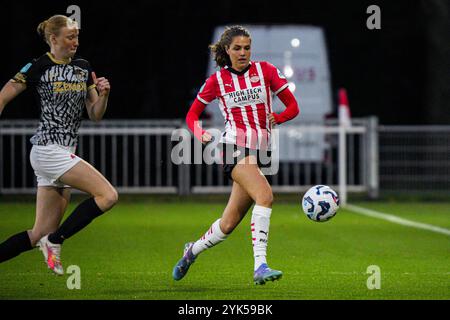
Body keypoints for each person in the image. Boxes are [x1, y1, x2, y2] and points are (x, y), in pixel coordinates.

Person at [172, 25, 299, 285]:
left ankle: (191, 251)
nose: (243, 53)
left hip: (260, 151)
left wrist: (279, 117)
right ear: (227, 50)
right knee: (265, 196)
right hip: (233, 149)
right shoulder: (217, 81)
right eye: (237, 48)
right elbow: (192, 115)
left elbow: (293, 106)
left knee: (228, 224)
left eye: (247, 48)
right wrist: (199, 134)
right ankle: (260, 266)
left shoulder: (265, 71)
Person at [0, 15, 118, 275]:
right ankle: (55, 242)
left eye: (76, 36)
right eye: (70, 36)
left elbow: (95, 114)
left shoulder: (83, 67)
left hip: (64, 151)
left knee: (39, 233)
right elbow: (4, 96)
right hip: (47, 149)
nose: (75, 41)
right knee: (108, 196)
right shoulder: (38, 65)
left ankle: (50, 239)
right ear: (53, 39)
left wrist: (104, 95)